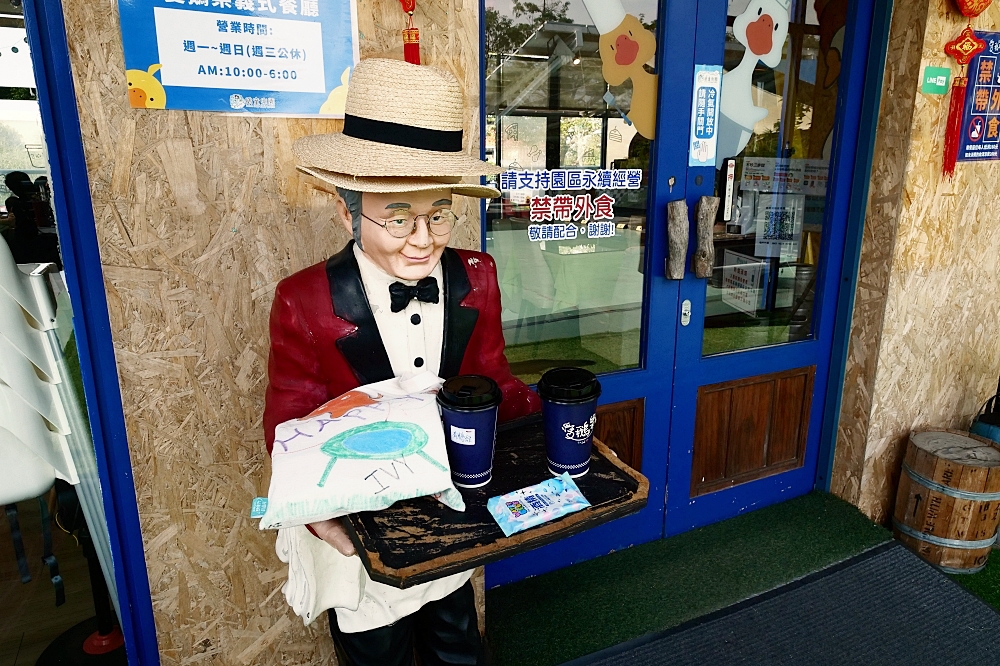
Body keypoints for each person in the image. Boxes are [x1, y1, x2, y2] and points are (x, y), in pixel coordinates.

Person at [263, 58, 540, 666]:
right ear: (346, 212)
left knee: (456, 639)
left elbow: (493, 379)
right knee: (376, 651)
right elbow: (288, 425)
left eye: (439, 213)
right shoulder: (304, 300)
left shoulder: (477, 277)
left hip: (447, 506)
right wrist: (320, 521)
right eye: (395, 217)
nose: (423, 238)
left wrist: (552, 424)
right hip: (360, 519)